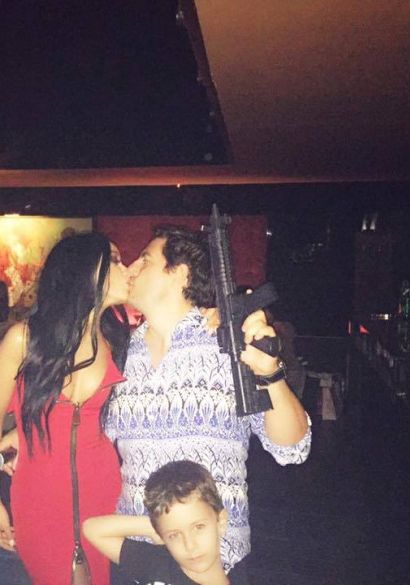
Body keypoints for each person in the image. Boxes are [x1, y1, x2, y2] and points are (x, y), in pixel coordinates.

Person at [105, 226, 311, 582]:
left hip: (216, 560)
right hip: (142, 554)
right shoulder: (120, 352)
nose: (132, 267)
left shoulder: (227, 343)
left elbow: (292, 448)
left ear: (181, 272)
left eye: (145, 259)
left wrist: (271, 375)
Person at [0, 232, 131, 585]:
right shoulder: (23, 339)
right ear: (85, 270)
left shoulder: (118, 342)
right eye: (115, 260)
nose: (127, 268)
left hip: (104, 489)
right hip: (38, 496)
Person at [84, 460, 230, 585]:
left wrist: (168, 530)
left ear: (221, 522)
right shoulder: (158, 563)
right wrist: (153, 528)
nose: (190, 545)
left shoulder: (242, 577)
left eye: (199, 527)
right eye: (175, 535)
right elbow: (92, 529)